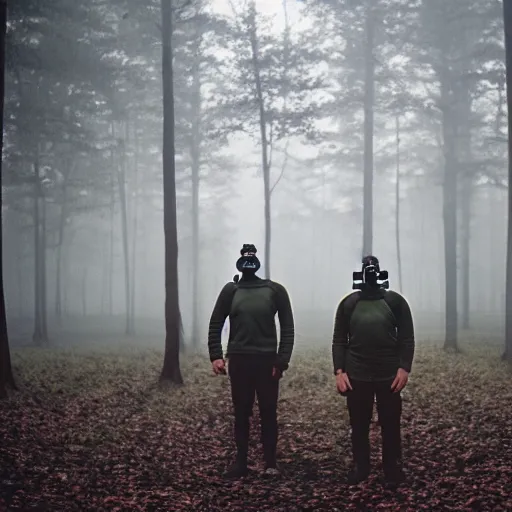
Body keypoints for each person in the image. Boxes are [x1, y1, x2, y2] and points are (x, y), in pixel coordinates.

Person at [208, 244, 295, 479]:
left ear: (257, 262)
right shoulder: (231, 290)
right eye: (245, 258)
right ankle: (241, 463)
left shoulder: (274, 291)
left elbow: (287, 327)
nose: (248, 264)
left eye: (252, 259)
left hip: (267, 363)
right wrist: (216, 355)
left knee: (268, 412)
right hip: (239, 361)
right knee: (241, 412)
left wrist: (282, 360)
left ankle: (270, 463)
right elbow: (216, 322)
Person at [332, 255, 415, 488]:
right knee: (358, 424)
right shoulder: (348, 304)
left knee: (390, 423)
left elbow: (406, 338)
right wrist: (339, 371)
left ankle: (392, 467)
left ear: (380, 274)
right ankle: (361, 467)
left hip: (389, 376)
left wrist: (404, 368)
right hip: (357, 374)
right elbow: (339, 340)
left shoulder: (396, 302)